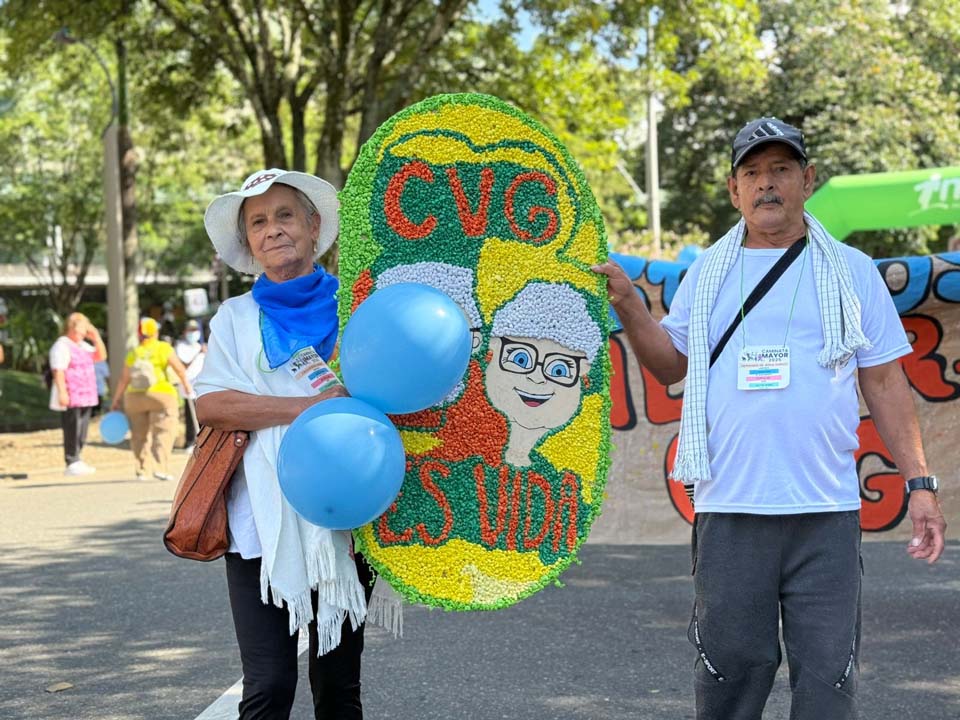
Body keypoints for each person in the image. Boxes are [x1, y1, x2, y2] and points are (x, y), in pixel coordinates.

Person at [594, 117, 946, 719]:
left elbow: (886, 383)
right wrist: (630, 303)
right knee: (728, 681)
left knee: (828, 685)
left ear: (807, 179)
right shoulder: (708, 272)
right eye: (752, 173)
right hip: (731, 509)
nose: (767, 184)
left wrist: (919, 484)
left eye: (781, 169)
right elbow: (670, 366)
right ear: (734, 191)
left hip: (825, 514)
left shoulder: (854, 272)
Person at [195, 168, 386, 719]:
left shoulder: (358, 308)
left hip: (347, 516)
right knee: (269, 686)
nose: (273, 230)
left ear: (314, 225)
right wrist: (308, 410)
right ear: (249, 243)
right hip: (259, 523)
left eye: (285, 216)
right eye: (258, 222)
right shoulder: (234, 318)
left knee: (338, 686)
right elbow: (212, 405)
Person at [110, 317, 192, 481]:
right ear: (155, 332)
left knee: (139, 434)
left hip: (134, 397)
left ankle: (142, 470)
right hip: (161, 395)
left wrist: (116, 400)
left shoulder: (134, 352)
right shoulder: (163, 348)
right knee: (163, 431)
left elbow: (123, 379)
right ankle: (161, 468)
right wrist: (187, 387)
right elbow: (180, 370)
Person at [49, 312, 107, 475]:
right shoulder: (62, 345)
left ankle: (77, 458)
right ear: (72, 327)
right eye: (82, 327)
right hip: (72, 393)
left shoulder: (83, 345)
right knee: (72, 427)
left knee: (82, 429)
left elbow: (101, 355)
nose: (84, 331)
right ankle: (71, 460)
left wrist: (96, 337)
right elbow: (58, 370)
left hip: (86, 394)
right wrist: (62, 393)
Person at [174, 319, 206, 452]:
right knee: (190, 415)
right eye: (190, 330)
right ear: (185, 331)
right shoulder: (180, 346)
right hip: (188, 385)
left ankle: (203, 441)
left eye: (195, 330)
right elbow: (184, 365)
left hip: (202, 385)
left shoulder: (202, 346)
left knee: (203, 415)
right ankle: (189, 441)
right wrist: (198, 353)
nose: (193, 333)